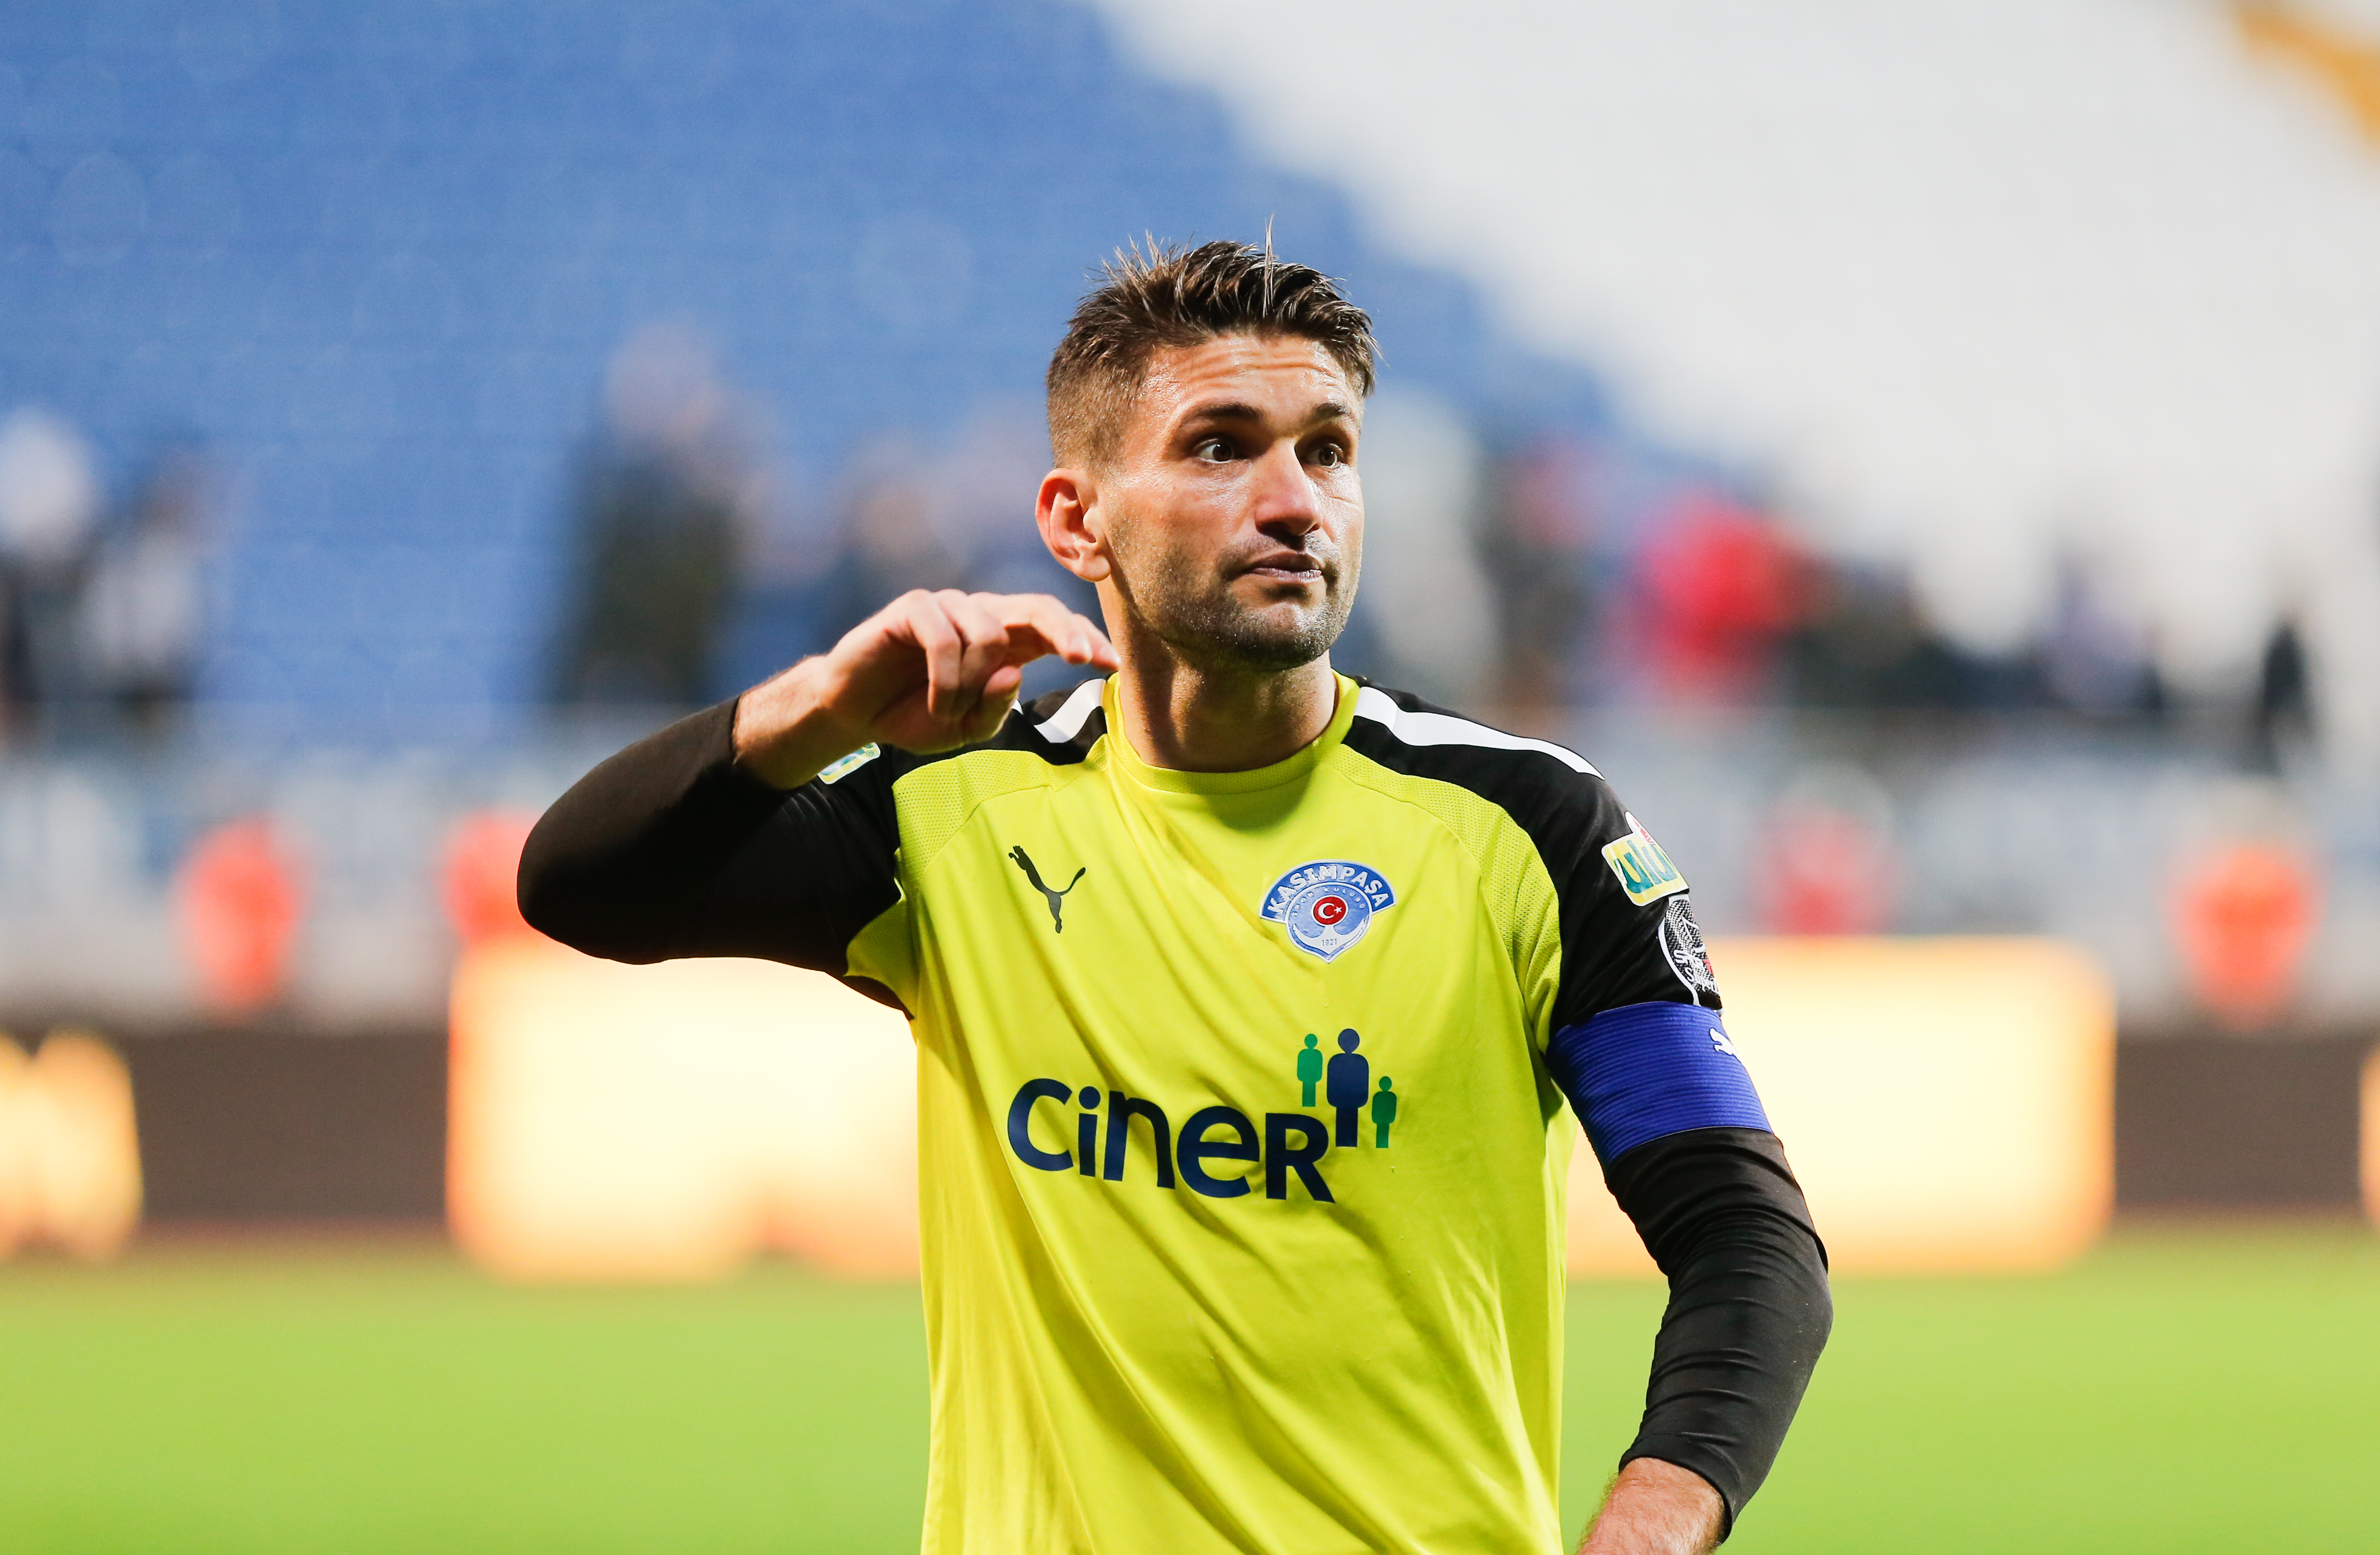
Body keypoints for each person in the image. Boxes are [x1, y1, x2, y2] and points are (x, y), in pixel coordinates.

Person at [520, 240, 1830, 1554]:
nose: (1296, 502)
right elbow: (583, 885)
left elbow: (1745, 1238)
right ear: (1074, 520)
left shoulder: (1529, 828)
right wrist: (813, 708)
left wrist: (1647, 1527)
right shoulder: (951, 808)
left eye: (1328, 450)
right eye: (1220, 447)